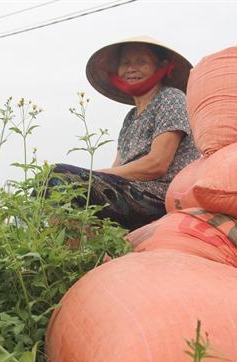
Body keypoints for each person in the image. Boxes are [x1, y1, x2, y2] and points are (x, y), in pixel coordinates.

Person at [49, 36, 200, 230]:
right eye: (125, 63)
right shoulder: (130, 117)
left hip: (157, 195)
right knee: (47, 182)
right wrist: (100, 176)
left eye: (141, 61)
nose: (131, 68)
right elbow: (119, 164)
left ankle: (74, 255)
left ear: (161, 66)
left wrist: (102, 175)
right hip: (131, 189)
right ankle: (73, 252)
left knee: (59, 176)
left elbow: (157, 163)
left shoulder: (171, 98)